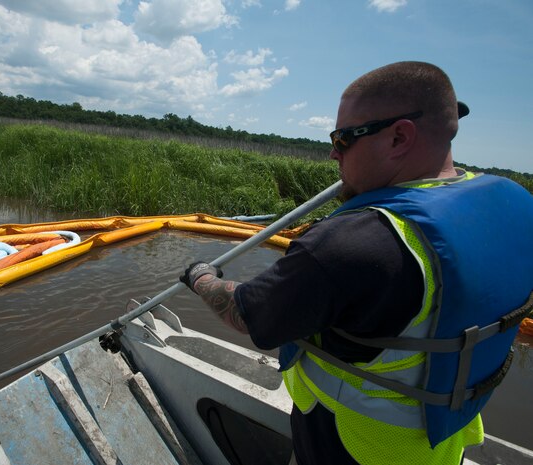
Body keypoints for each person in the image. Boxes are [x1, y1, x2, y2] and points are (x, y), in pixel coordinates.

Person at [180, 61, 533, 465]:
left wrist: (200, 275)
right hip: (441, 439)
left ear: (400, 136)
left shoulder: (353, 244)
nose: (333, 152)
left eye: (344, 138)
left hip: (355, 443)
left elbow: (248, 315)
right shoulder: (516, 204)